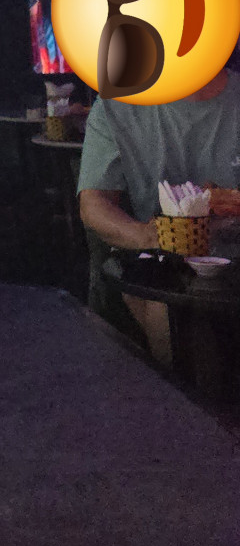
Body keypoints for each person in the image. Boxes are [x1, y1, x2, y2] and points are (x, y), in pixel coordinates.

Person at [78, 61, 240, 345]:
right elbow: (93, 203)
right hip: (164, 269)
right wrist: (154, 235)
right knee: (172, 313)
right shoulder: (118, 106)